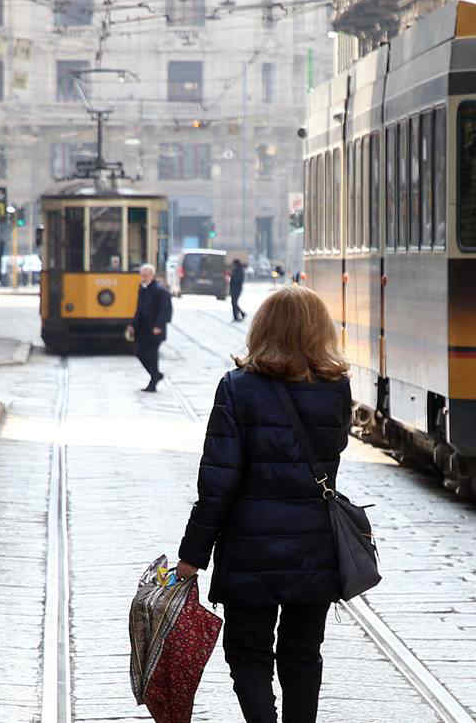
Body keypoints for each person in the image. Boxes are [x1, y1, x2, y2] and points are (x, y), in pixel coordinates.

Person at [175, 285, 352, 723]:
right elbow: (336, 452)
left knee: (248, 653)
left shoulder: (237, 388)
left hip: (249, 549)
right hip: (314, 546)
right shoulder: (336, 388)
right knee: (303, 654)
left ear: (262, 328)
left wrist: (192, 554)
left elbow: (217, 482)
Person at [130, 264, 173, 393]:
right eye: (142, 275)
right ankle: (156, 375)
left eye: (145, 275)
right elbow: (139, 309)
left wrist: (159, 326)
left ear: (152, 275)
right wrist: (132, 324)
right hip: (142, 329)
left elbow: (166, 310)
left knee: (152, 356)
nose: (143, 277)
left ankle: (153, 382)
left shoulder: (160, 290)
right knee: (139, 353)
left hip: (155, 329)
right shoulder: (142, 289)